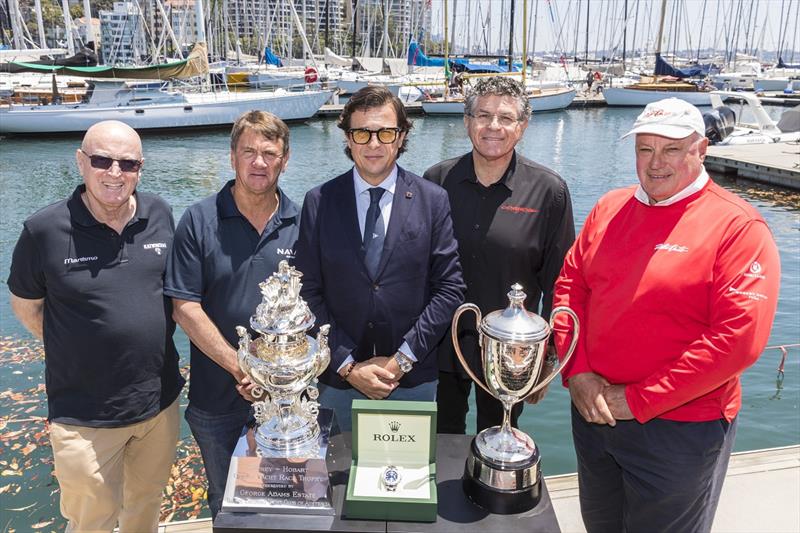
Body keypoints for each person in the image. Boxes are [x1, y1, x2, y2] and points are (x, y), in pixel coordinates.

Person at [553, 98, 780, 533]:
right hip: (594, 413)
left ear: (701, 150)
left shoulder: (738, 227)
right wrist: (577, 373)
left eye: (671, 149)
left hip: (680, 430)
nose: (655, 163)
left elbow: (738, 340)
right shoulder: (609, 207)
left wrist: (638, 400)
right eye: (645, 149)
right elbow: (570, 288)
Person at [7, 120, 184, 532]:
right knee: (91, 521)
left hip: (159, 404)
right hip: (84, 417)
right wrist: (77, 350)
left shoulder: (160, 213)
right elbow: (26, 307)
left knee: (145, 509)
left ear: (141, 167)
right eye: (102, 160)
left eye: (128, 163)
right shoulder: (43, 231)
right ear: (81, 162)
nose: (115, 173)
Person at [294, 86, 465, 432]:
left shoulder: (432, 200)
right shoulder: (319, 201)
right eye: (362, 132)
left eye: (385, 132)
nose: (374, 144)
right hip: (338, 381)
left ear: (401, 137)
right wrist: (346, 365)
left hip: (412, 379)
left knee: (405, 482)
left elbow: (450, 288)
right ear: (347, 137)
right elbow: (307, 292)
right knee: (339, 479)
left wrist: (402, 359)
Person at [164, 111, 300, 519]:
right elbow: (184, 307)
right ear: (232, 157)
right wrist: (242, 368)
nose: (259, 162)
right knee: (228, 503)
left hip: (288, 401)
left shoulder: (303, 221)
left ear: (284, 160)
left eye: (269, 153)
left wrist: (276, 380)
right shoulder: (198, 219)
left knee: (286, 502)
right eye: (249, 152)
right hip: (217, 399)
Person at [424, 76, 575, 434]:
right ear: (466, 122)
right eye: (483, 115)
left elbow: (560, 280)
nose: (494, 126)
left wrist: (548, 356)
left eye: (506, 118)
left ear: (522, 127)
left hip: (513, 352)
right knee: (444, 438)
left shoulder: (549, 190)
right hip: (443, 342)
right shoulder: (436, 181)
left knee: (500, 439)